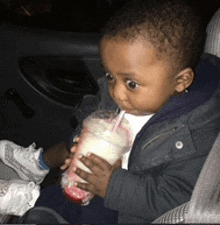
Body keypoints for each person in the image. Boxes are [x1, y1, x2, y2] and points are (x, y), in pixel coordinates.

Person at [1, 0, 220, 223]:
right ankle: (34, 190)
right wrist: (81, 138)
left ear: (181, 81)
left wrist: (113, 185)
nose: (116, 92)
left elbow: (178, 199)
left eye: (131, 83)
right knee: (52, 201)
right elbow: (95, 108)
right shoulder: (130, 94)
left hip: (120, 212)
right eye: (110, 77)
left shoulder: (196, 133)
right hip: (88, 185)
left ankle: (30, 199)